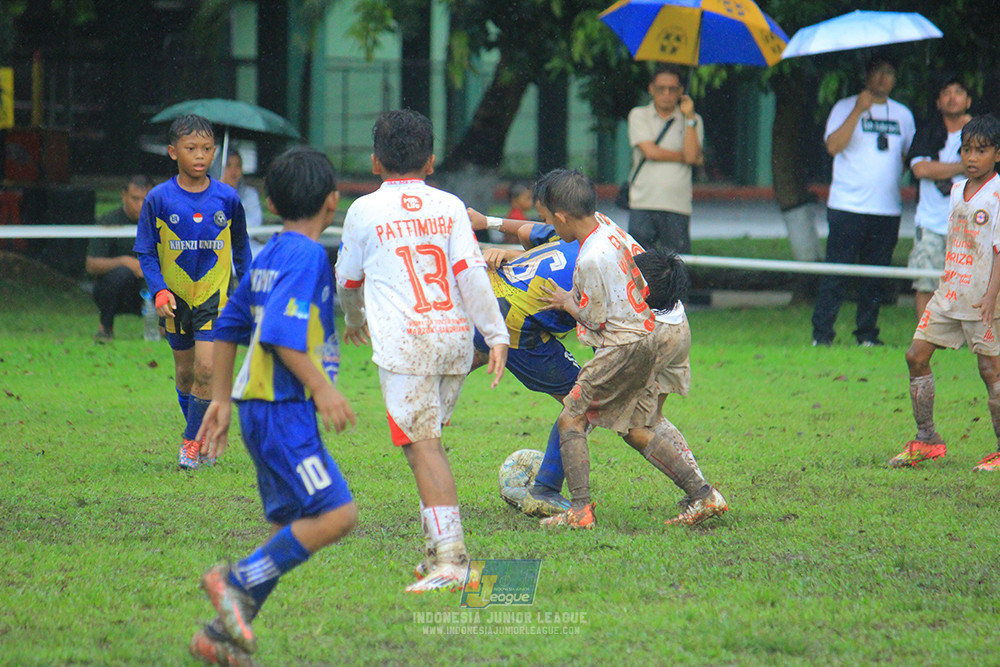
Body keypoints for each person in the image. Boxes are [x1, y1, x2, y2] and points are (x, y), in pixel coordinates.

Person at [189, 146, 356, 666]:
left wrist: (219, 399)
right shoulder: (307, 257)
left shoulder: (269, 253)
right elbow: (283, 337)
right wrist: (324, 389)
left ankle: (218, 637)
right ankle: (232, 581)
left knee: (291, 527)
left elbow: (229, 325)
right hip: (284, 411)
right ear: (332, 203)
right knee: (337, 515)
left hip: (259, 409)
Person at [335, 109, 509, 592]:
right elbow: (471, 272)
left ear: (375, 162)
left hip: (405, 345)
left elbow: (347, 281)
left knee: (423, 448)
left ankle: (452, 560)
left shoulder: (363, 211)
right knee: (427, 442)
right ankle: (434, 551)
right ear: (430, 162)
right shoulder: (451, 205)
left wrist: (354, 320)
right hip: (454, 339)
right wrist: (495, 335)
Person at [467, 208, 706, 519]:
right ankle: (551, 492)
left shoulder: (591, 242)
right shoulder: (598, 241)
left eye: (546, 213)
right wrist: (497, 233)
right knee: (591, 411)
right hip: (517, 319)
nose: (545, 221)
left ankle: (696, 491)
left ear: (561, 215)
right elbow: (536, 237)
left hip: (499, 302)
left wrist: (494, 230)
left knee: (610, 418)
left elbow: (591, 313)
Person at [530, 168, 725, 530]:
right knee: (638, 428)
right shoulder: (606, 225)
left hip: (625, 346)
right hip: (656, 332)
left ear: (561, 217)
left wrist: (565, 302)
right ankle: (703, 494)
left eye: (547, 220)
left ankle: (580, 511)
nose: (551, 228)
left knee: (572, 416)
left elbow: (594, 319)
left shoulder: (589, 260)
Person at [134, 114, 251, 470]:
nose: (200, 156)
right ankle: (202, 435)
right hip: (175, 301)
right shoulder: (158, 199)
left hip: (215, 300)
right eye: (191, 149)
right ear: (173, 152)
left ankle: (192, 442)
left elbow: (242, 249)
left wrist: (248, 291)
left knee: (205, 369)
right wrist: (159, 292)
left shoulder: (227, 199)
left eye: (206, 149)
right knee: (185, 373)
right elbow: (146, 252)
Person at [888, 115, 1000, 471]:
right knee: (915, 355)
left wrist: (992, 297)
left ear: (996, 154)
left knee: (991, 372)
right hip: (949, 295)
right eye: (966, 149)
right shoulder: (954, 191)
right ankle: (927, 440)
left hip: (982, 300)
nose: (972, 157)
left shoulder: (997, 196)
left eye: (981, 151)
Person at [811, 55, 916, 347]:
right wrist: (858, 110)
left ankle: (867, 334)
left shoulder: (903, 115)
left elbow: (910, 159)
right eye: (879, 71)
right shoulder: (844, 107)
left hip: (886, 208)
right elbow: (833, 146)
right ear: (867, 75)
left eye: (890, 72)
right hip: (848, 206)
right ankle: (822, 334)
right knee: (837, 273)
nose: (884, 77)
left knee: (875, 276)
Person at [907, 74, 972, 317]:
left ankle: (966, 338)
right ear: (938, 102)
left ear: (968, 100)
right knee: (925, 283)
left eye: (958, 91)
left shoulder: (982, 132)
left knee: (971, 285)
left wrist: (941, 168)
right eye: (946, 92)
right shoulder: (927, 132)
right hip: (931, 223)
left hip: (972, 223)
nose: (952, 97)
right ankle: (924, 339)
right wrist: (961, 167)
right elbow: (921, 169)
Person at [626, 63, 704, 255]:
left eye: (672, 89)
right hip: (643, 202)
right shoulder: (638, 114)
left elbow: (693, 156)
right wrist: (684, 157)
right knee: (639, 265)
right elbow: (650, 152)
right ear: (651, 88)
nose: (667, 93)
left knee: (677, 266)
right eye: (661, 88)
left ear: (681, 91)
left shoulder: (693, 120)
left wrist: (690, 118)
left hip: (677, 205)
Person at [86, 175, 153, 341]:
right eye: (135, 199)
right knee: (120, 274)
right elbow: (91, 264)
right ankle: (105, 327)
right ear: (124, 196)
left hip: (155, 285)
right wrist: (125, 262)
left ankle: (169, 328)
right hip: (122, 290)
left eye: (145, 200)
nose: (139, 205)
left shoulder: (164, 222)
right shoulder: (108, 221)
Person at [221, 150, 266, 258]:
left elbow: (255, 222)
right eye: (229, 165)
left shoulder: (250, 194)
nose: (234, 171)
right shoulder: (208, 195)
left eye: (238, 166)